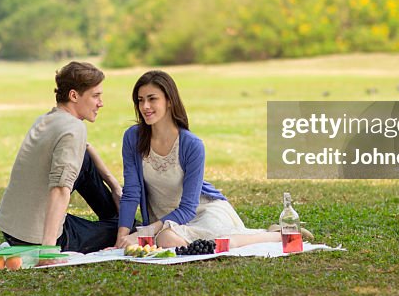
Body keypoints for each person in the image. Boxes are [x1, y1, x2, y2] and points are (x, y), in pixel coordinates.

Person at [115, 69, 300, 250]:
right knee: (166, 238)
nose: (145, 106)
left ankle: (275, 235)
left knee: (180, 240)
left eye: (152, 99)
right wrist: (122, 239)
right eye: (140, 100)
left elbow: (188, 207)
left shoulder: (191, 144)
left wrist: (143, 232)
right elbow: (132, 192)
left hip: (203, 212)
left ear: (169, 101)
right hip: (164, 220)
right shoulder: (133, 138)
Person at [0, 61, 120, 254]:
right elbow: (60, 188)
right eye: (95, 96)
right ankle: (122, 224)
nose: (100, 103)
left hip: (12, 228)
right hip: (34, 239)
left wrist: (114, 186)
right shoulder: (73, 128)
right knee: (126, 233)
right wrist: (48, 249)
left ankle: (120, 218)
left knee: (85, 161)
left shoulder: (48, 120)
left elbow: (85, 150)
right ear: (74, 95)